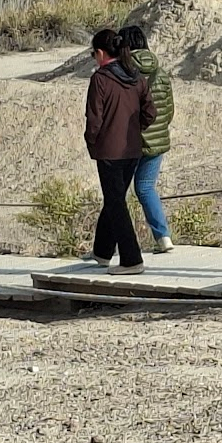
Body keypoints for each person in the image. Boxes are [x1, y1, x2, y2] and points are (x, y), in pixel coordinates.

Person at [83, 29, 155, 275]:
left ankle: (131, 258)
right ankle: (103, 252)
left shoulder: (100, 79)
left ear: (101, 53)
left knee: (116, 203)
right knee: (115, 199)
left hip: (109, 151)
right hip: (132, 149)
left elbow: (94, 119)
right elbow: (150, 113)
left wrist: (92, 142)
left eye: (94, 53)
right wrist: (135, 130)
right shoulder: (137, 77)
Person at [121, 25, 175, 254]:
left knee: (116, 193)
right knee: (145, 188)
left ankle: (108, 245)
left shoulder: (124, 74)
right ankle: (163, 237)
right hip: (157, 141)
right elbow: (169, 110)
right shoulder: (160, 72)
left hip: (130, 143)